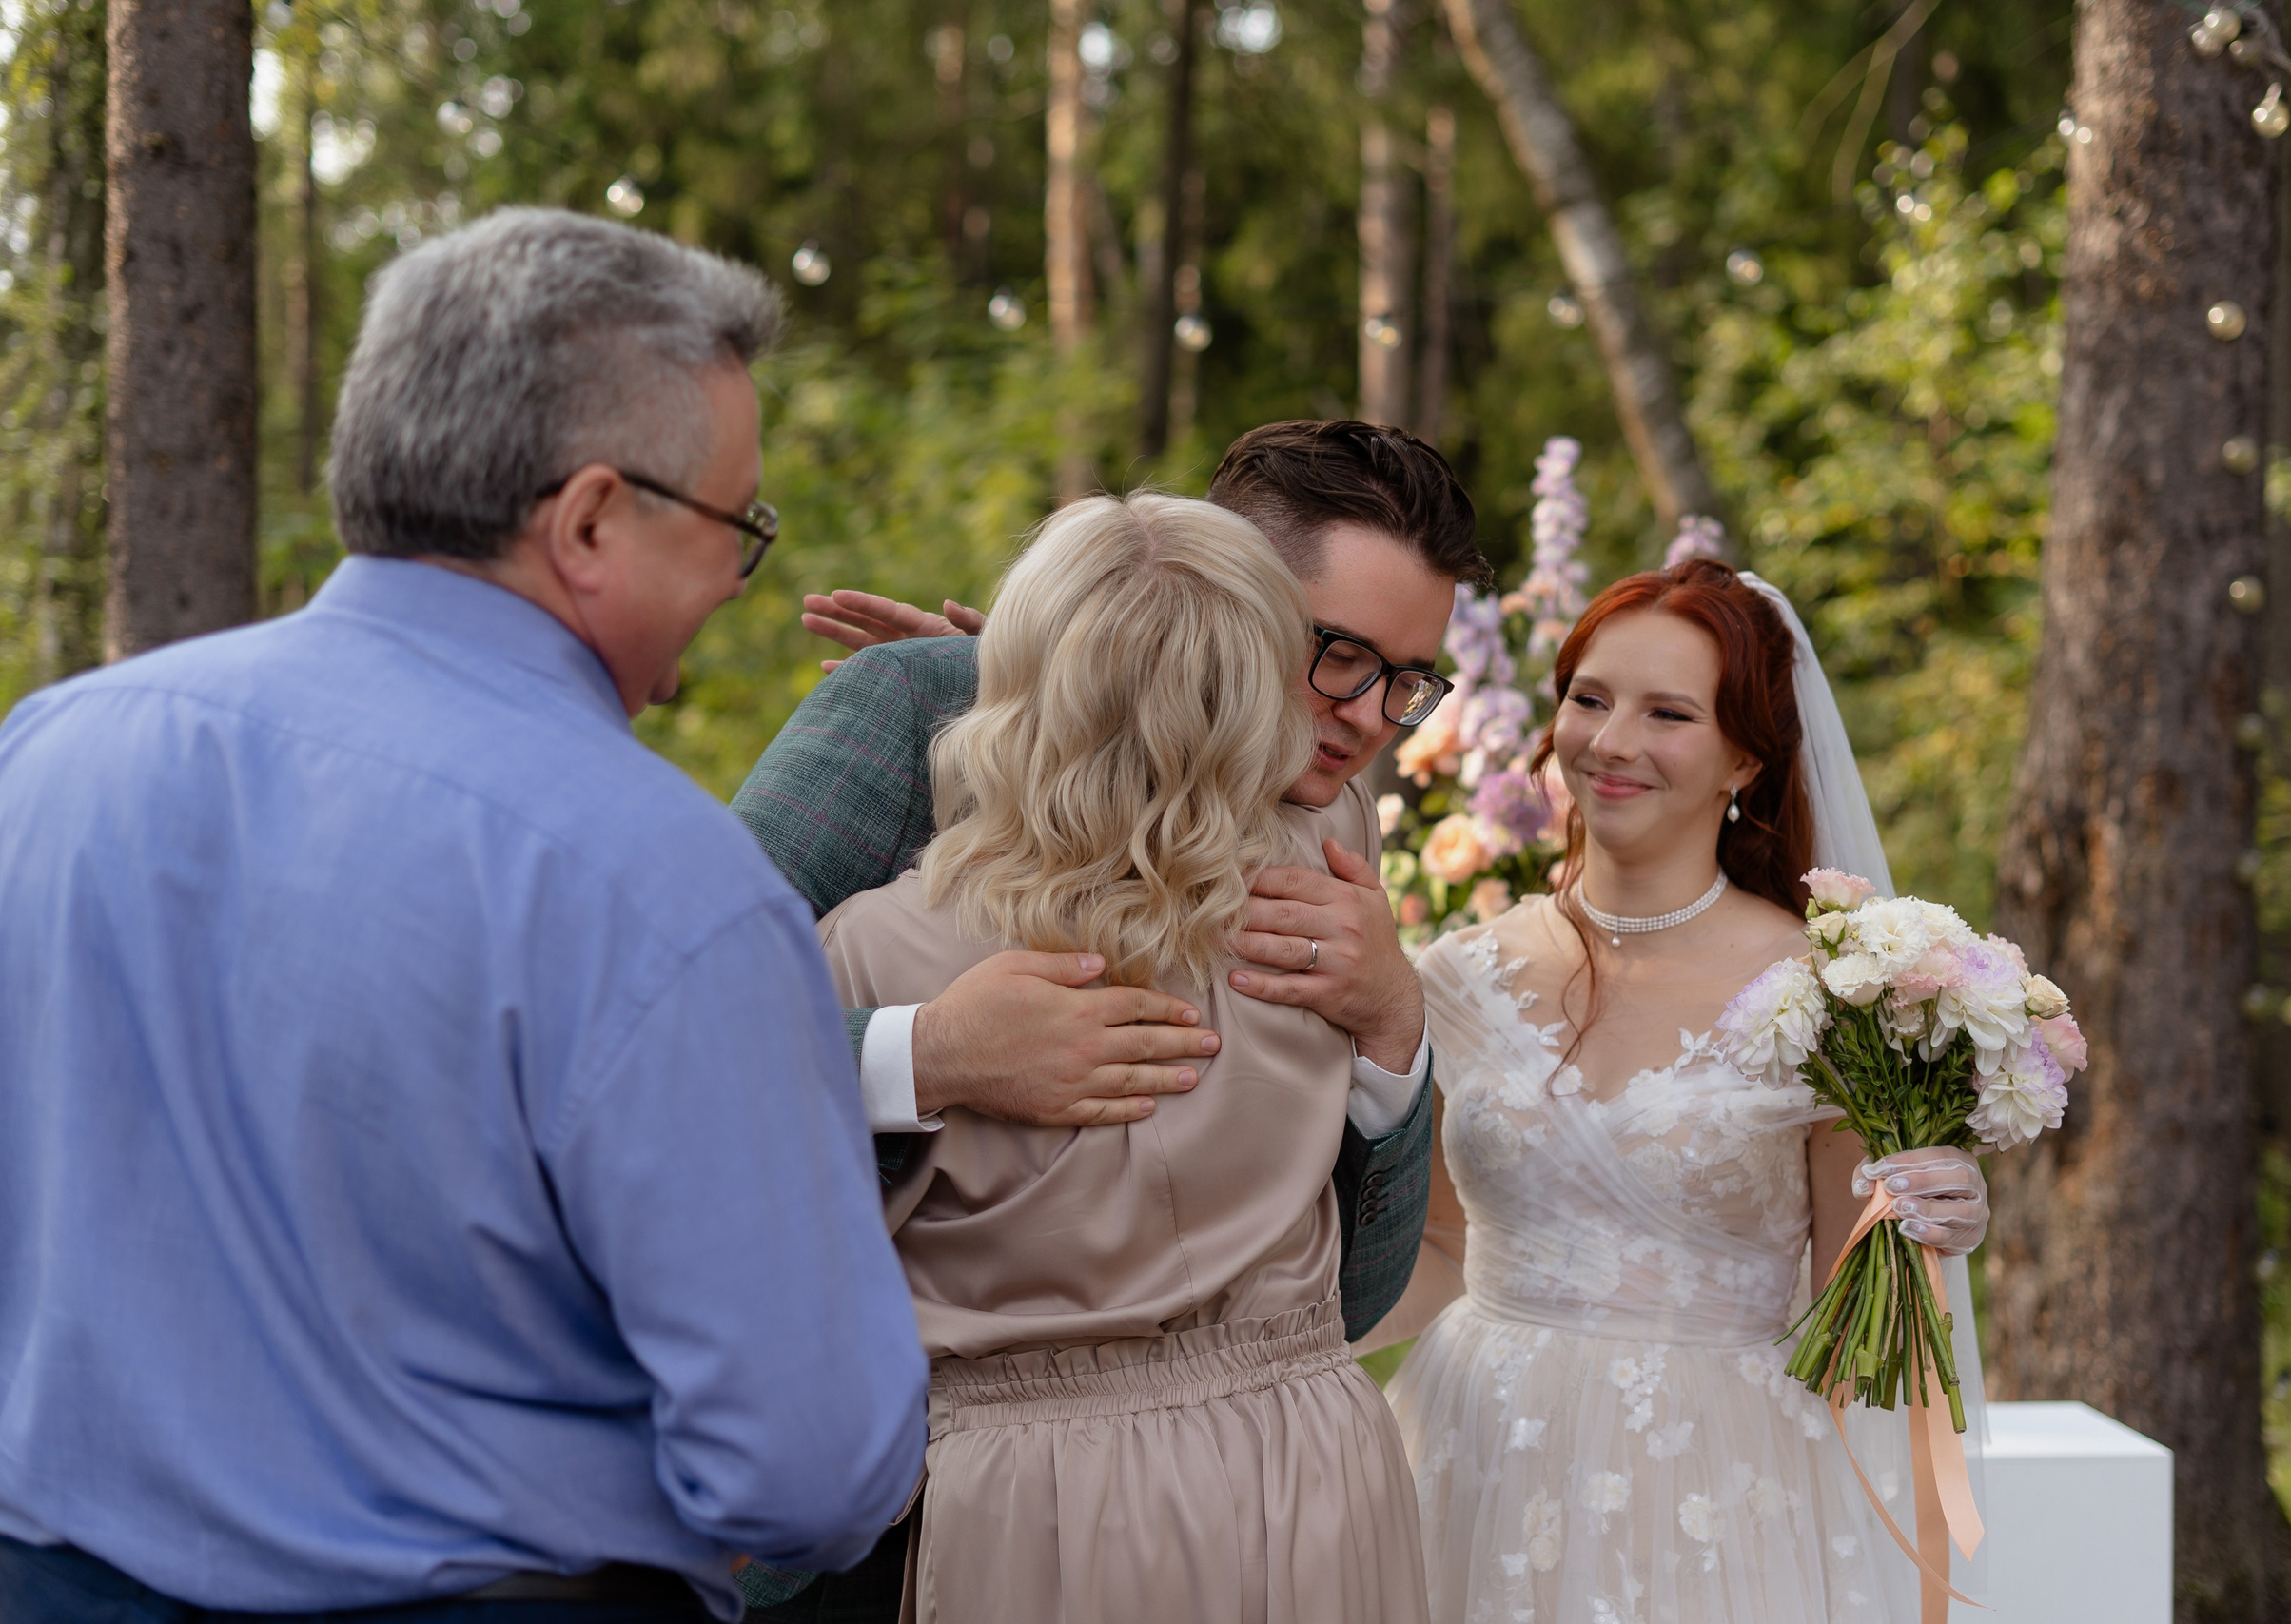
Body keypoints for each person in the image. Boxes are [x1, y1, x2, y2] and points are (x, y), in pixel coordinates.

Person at [0, 209, 928, 1623]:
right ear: (593, 519)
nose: (736, 589)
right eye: (738, 529)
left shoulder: (50, 752)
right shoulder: (663, 888)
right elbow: (812, 1462)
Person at [817, 491, 1428, 1623]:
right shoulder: (1331, 868)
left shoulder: (877, 947)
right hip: (1313, 1461)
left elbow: (781, 1239)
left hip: (1042, 1501)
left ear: (1017, 671)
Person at [1378, 558, 1994, 1624]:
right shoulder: (1454, 976)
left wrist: (1929, 1219)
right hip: (1470, 1445)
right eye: (1589, 698)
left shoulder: (1830, 996)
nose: (1610, 743)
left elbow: (1853, 1315)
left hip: (1714, 1483)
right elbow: (1435, 1251)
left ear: (1742, 755)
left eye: (1667, 713)